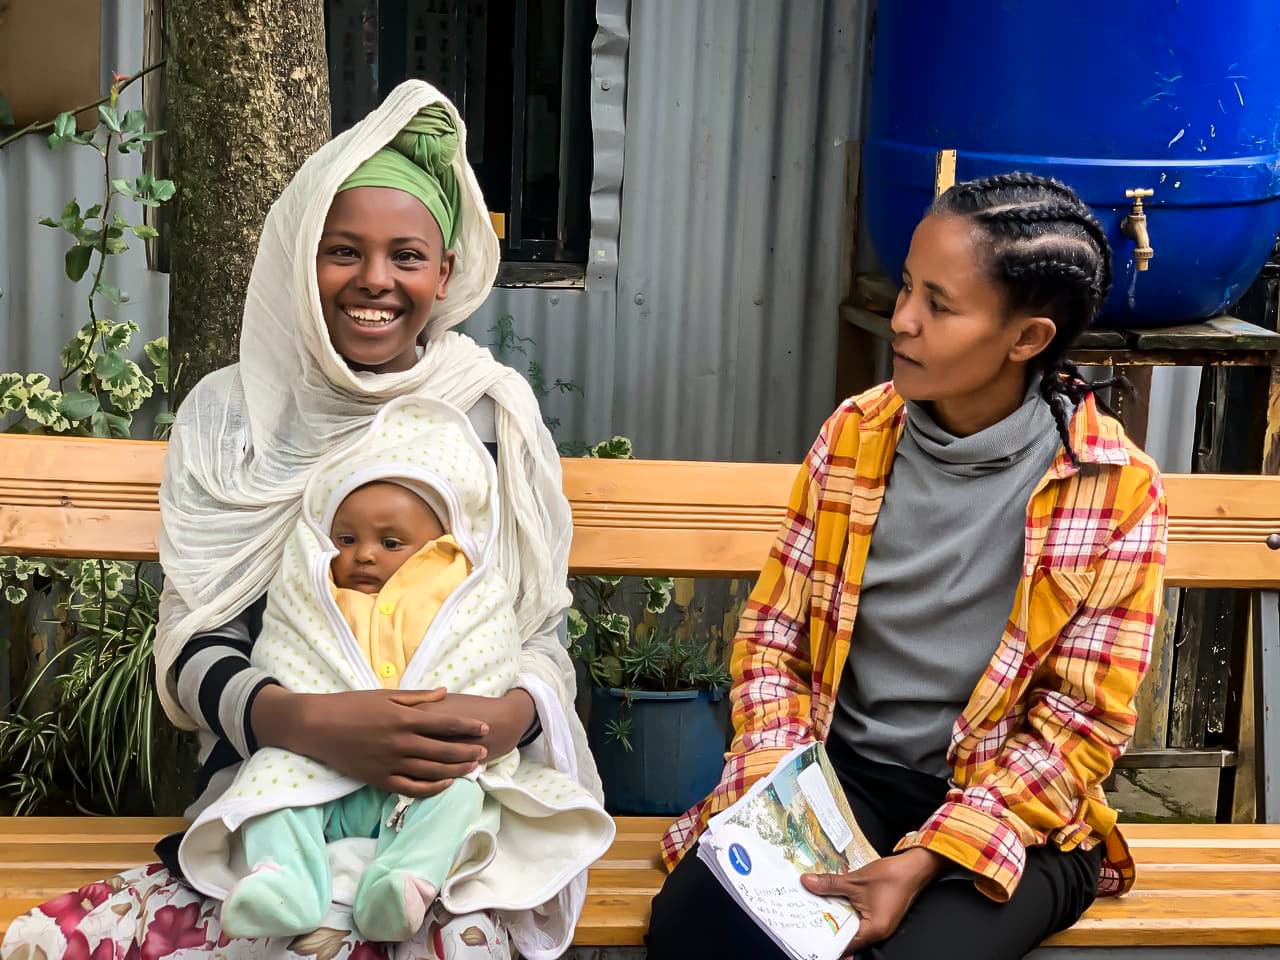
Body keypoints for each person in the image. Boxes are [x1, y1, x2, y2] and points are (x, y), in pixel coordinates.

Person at [1, 81, 599, 960]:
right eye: (342, 250)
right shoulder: (241, 418)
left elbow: (537, 635)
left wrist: (502, 721)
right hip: (272, 783)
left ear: (446, 270)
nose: (375, 281)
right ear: (298, 256)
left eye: (407, 256)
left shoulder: (486, 416)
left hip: (449, 796)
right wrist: (312, 725)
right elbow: (196, 639)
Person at [646, 172, 1168, 960]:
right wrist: (787, 799)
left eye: (940, 305)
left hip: (1012, 813)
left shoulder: (1115, 491)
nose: (903, 321)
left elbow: (1079, 727)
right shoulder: (854, 437)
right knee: (696, 934)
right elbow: (773, 639)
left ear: (1027, 339)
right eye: (906, 289)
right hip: (840, 778)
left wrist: (925, 859)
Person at [195, 407, 610, 944]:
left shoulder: (459, 593)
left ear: (441, 552)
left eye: (391, 544)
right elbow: (288, 649)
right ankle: (285, 882)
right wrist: (306, 718)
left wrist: (498, 713)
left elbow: (490, 651)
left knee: (461, 795)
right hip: (320, 768)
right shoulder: (316, 594)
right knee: (270, 781)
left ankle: (401, 882)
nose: (363, 554)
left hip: (422, 778)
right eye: (344, 539)